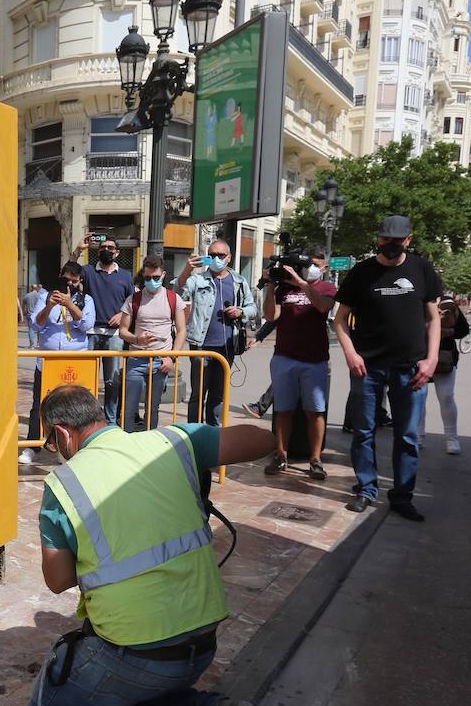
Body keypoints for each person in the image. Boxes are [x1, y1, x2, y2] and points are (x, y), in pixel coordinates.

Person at [24, 385, 277, 706]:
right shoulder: (172, 442)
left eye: (50, 441)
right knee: (126, 690)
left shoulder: (63, 484)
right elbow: (263, 440)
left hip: (139, 657)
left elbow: (57, 579)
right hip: (202, 644)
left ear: (63, 435)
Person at [335, 216, 442, 520]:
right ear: (378, 238)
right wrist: (351, 353)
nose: (391, 246)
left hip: (411, 368)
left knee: (407, 436)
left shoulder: (421, 269)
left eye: (398, 240)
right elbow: (339, 319)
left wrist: (431, 359)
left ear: (409, 239)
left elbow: (434, 318)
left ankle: (402, 496)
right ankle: (367, 489)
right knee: (363, 432)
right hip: (367, 368)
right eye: (385, 240)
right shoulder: (362, 272)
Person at [262, 249, 337, 479]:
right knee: (283, 410)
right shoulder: (285, 288)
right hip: (284, 356)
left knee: (314, 411)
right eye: (307, 264)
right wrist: (272, 286)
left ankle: (315, 459)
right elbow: (271, 316)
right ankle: (281, 455)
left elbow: (324, 307)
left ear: (323, 267)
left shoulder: (326, 287)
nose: (310, 268)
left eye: (315, 264)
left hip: (314, 360)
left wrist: (302, 283)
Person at [21, 261, 96, 464]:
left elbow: (87, 324)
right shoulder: (45, 296)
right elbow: (35, 323)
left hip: (75, 361)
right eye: (66, 279)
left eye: (74, 280)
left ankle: (71, 448)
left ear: (80, 281)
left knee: (74, 406)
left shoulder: (86, 299)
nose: (69, 284)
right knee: (39, 405)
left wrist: (69, 304)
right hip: (48, 360)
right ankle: (33, 446)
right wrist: (51, 305)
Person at [179, 241, 257, 426]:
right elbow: (177, 295)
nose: (216, 259)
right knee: (198, 394)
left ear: (229, 257)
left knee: (218, 395)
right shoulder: (197, 279)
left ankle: (215, 435)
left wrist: (241, 312)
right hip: (201, 346)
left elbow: (252, 307)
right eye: (212, 255)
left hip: (227, 347)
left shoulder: (239, 281)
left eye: (221, 256)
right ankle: (194, 433)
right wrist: (186, 270)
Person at [116, 255, 186, 432]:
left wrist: (171, 358)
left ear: (163, 275)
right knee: (129, 408)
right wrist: (137, 339)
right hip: (136, 359)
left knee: (153, 408)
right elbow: (123, 330)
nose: (152, 281)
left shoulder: (173, 298)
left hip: (161, 361)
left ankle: (149, 444)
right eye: (147, 278)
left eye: (156, 277)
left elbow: (182, 330)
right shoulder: (134, 299)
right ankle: (126, 444)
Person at [77, 235, 135, 424]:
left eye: (111, 247)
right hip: (90, 333)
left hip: (115, 336)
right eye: (103, 247)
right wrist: (79, 250)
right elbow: (68, 272)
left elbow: (132, 303)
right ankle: (89, 418)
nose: (106, 250)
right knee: (88, 380)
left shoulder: (126, 275)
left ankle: (110, 420)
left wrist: (121, 315)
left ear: (117, 252)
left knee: (112, 381)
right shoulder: (88, 272)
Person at [419, 292, 470, 455]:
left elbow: (463, 330)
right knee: (419, 398)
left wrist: (447, 332)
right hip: (419, 356)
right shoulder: (415, 301)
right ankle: (418, 436)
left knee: (446, 396)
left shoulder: (448, 303)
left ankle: (451, 438)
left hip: (444, 357)